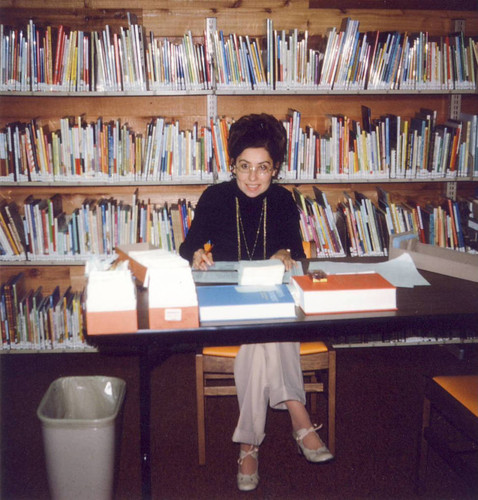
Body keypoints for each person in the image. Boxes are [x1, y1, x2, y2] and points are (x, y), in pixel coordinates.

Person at [179, 113, 333, 491]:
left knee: (265, 330)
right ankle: (298, 413)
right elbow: (188, 245)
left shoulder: (282, 200)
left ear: (275, 169)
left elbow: (294, 248)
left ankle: (249, 442)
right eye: (244, 167)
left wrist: (284, 253)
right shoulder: (216, 197)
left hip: (272, 304)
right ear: (232, 165)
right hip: (228, 307)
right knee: (262, 331)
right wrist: (198, 252)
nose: (252, 177)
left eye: (262, 168)